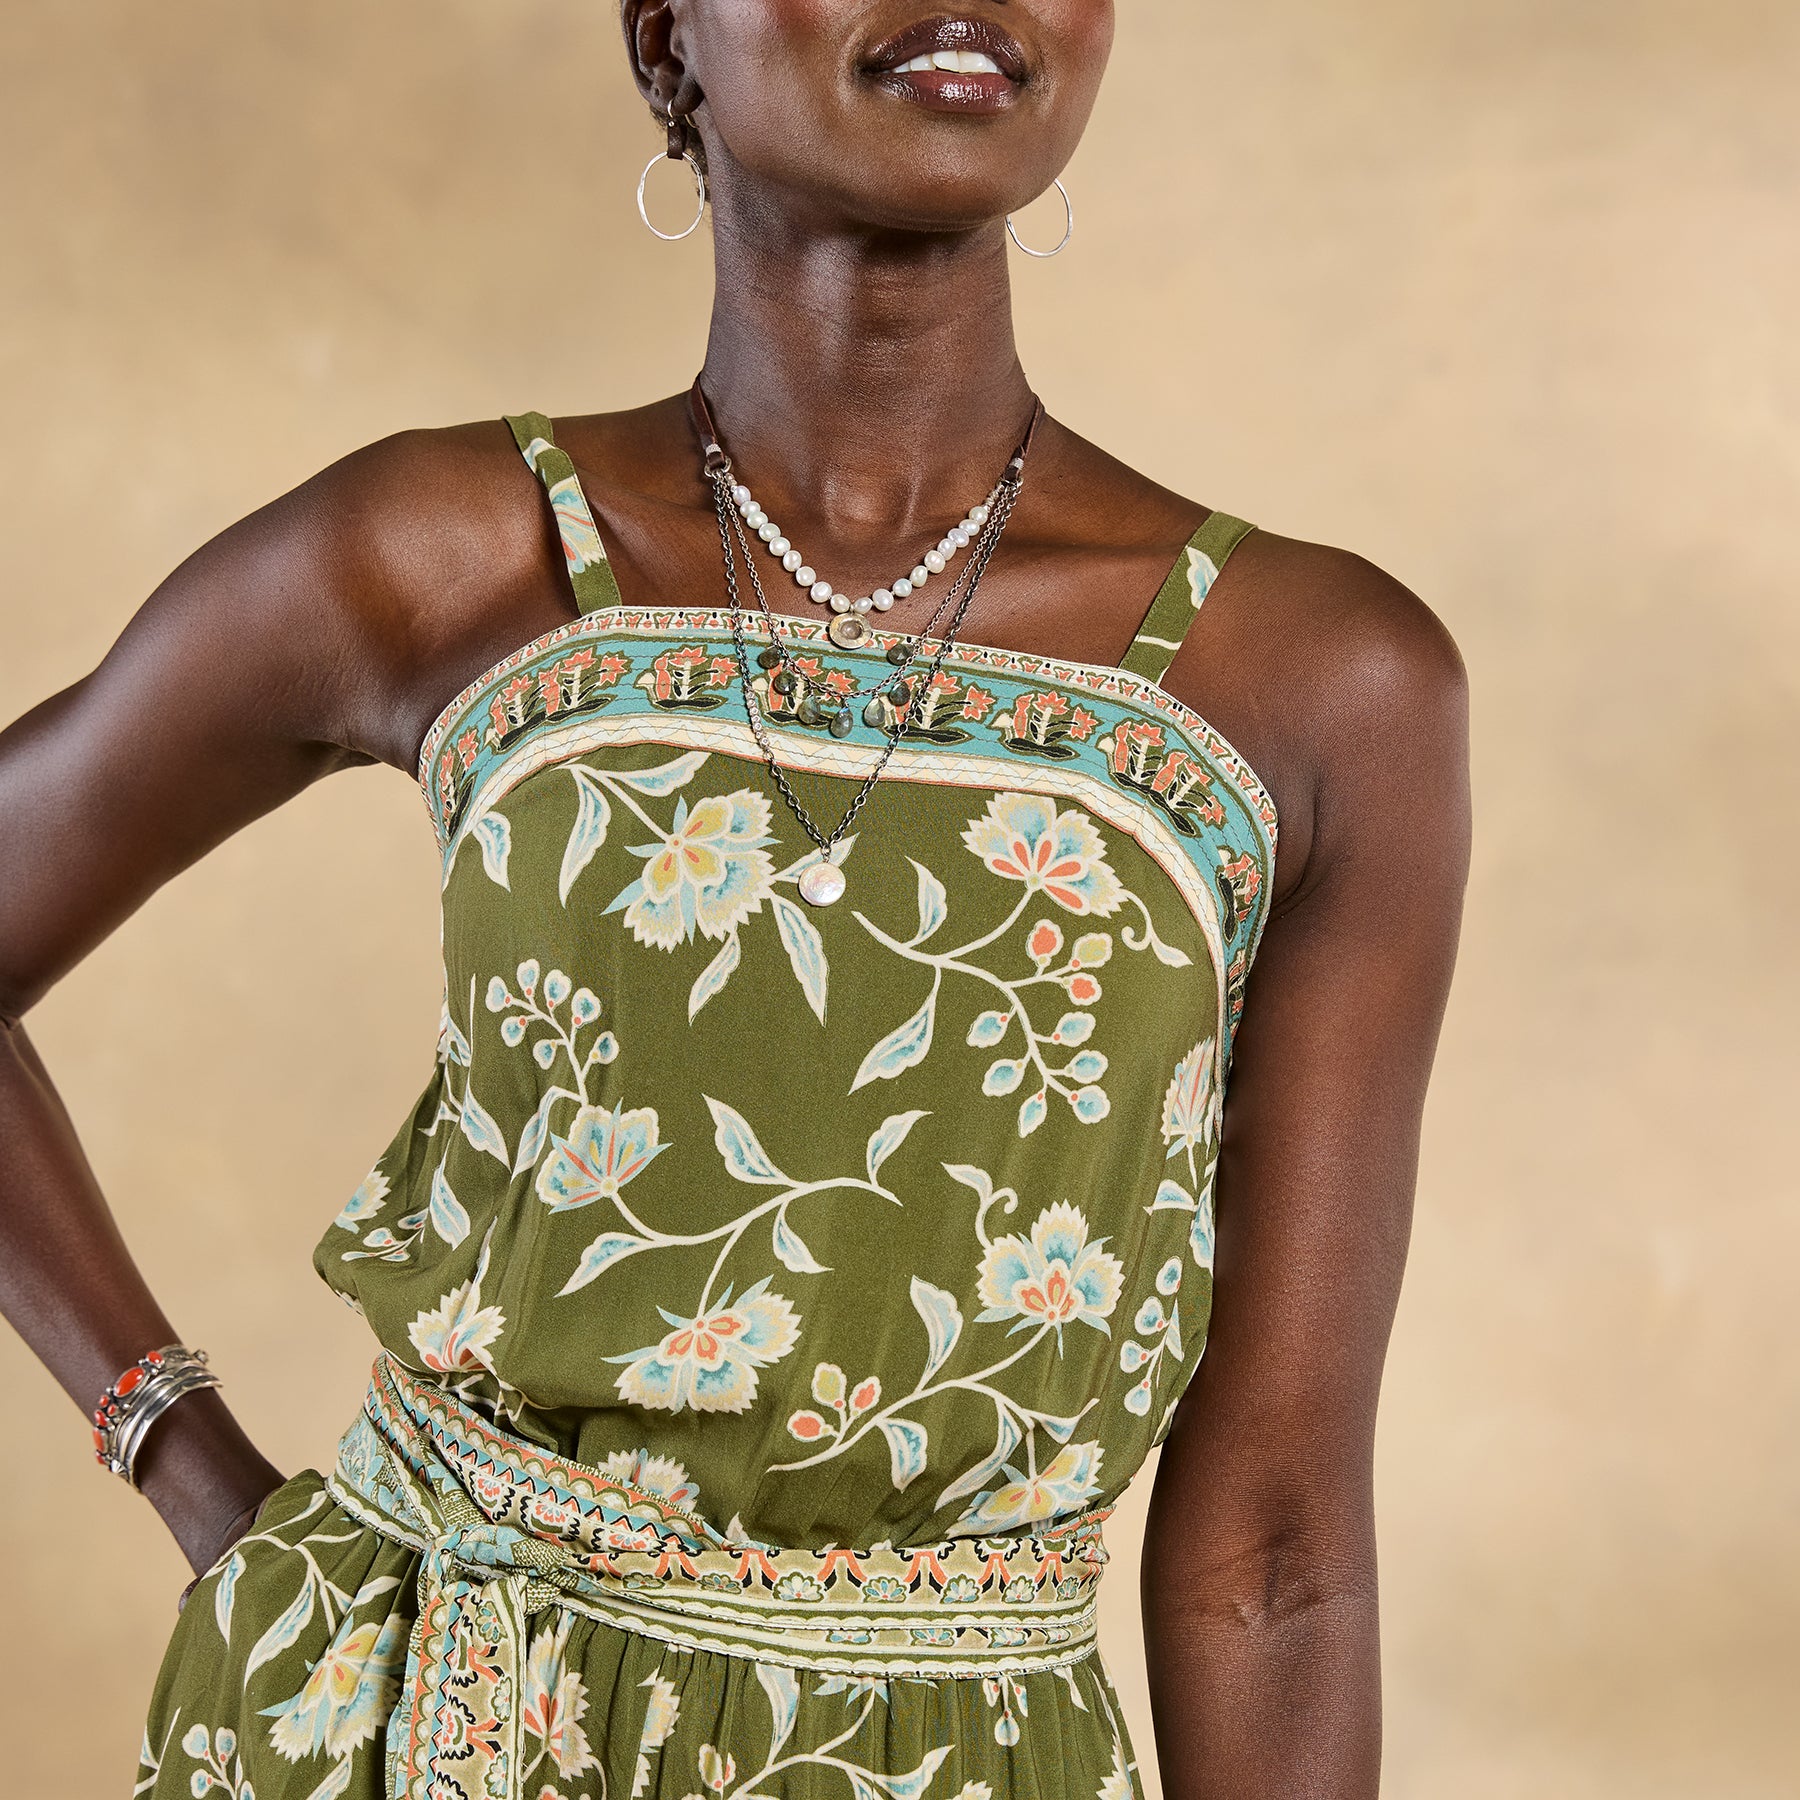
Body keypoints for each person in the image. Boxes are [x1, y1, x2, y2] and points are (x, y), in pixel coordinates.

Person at [0, 4, 1471, 1797]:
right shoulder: (445, 558)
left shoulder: (1321, 685)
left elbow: (1279, 1546)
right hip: (428, 1731)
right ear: (666, 45)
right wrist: (185, 1460)